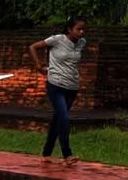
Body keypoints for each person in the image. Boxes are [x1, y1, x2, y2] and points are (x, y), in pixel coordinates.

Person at [30, 16, 90, 165]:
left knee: (58, 119)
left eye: (84, 29)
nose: (81, 32)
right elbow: (33, 47)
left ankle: (46, 153)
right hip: (55, 84)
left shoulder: (82, 43)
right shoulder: (57, 39)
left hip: (72, 87)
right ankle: (67, 154)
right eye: (78, 29)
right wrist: (39, 66)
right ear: (70, 29)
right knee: (64, 117)